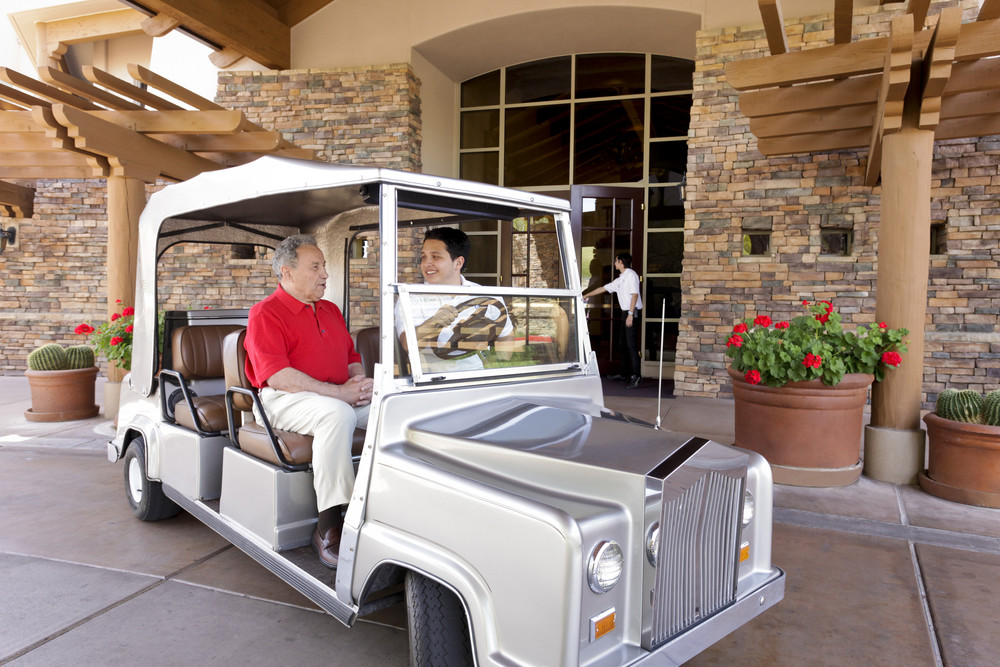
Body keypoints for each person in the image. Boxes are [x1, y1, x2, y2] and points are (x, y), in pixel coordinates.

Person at [243, 234, 373, 569]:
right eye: (315, 267)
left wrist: (357, 381)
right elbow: (279, 376)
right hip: (283, 398)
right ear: (286, 273)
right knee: (337, 415)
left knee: (389, 411)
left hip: (333, 395)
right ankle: (329, 525)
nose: (325, 274)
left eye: (324, 266)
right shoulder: (265, 313)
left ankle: (382, 506)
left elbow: (350, 354)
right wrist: (341, 394)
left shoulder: (330, 309)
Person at [395, 227, 513, 372]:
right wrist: (433, 322)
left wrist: (499, 366)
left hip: (478, 380)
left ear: (458, 263)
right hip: (431, 382)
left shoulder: (486, 296)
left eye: (436, 257)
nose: (426, 263)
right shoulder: (411, 298)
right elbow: (407, 344)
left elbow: (506, 336)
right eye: (424, 257)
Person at [582, 252, 643, 389]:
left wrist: (630, 314)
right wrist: (585, 295)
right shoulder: (620, 279)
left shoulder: (631, 275)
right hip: (625, 313)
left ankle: (636, 376)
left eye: (616, 260)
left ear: (621, 262)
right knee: (622, 344)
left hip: (631, 312)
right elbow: (603, 288)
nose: (614, 263)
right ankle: (623, 374)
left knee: (631, 346)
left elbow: (634, 295)